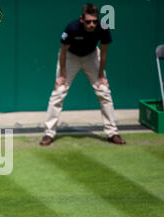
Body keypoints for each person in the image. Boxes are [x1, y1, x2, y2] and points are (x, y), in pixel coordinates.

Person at [40, 3, 126, 146]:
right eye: (88, 21)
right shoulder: (72, 28)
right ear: (82, 20)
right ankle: (48, 133)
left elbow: (103, 52)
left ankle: (112, 133)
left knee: (104, 91)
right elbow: (63, 51)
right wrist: (62, 74)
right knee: (59, 92)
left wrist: (101, 75)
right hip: (70, 57)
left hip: (92, 56)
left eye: (94, 21)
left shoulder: (103, 28)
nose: (92, 24)